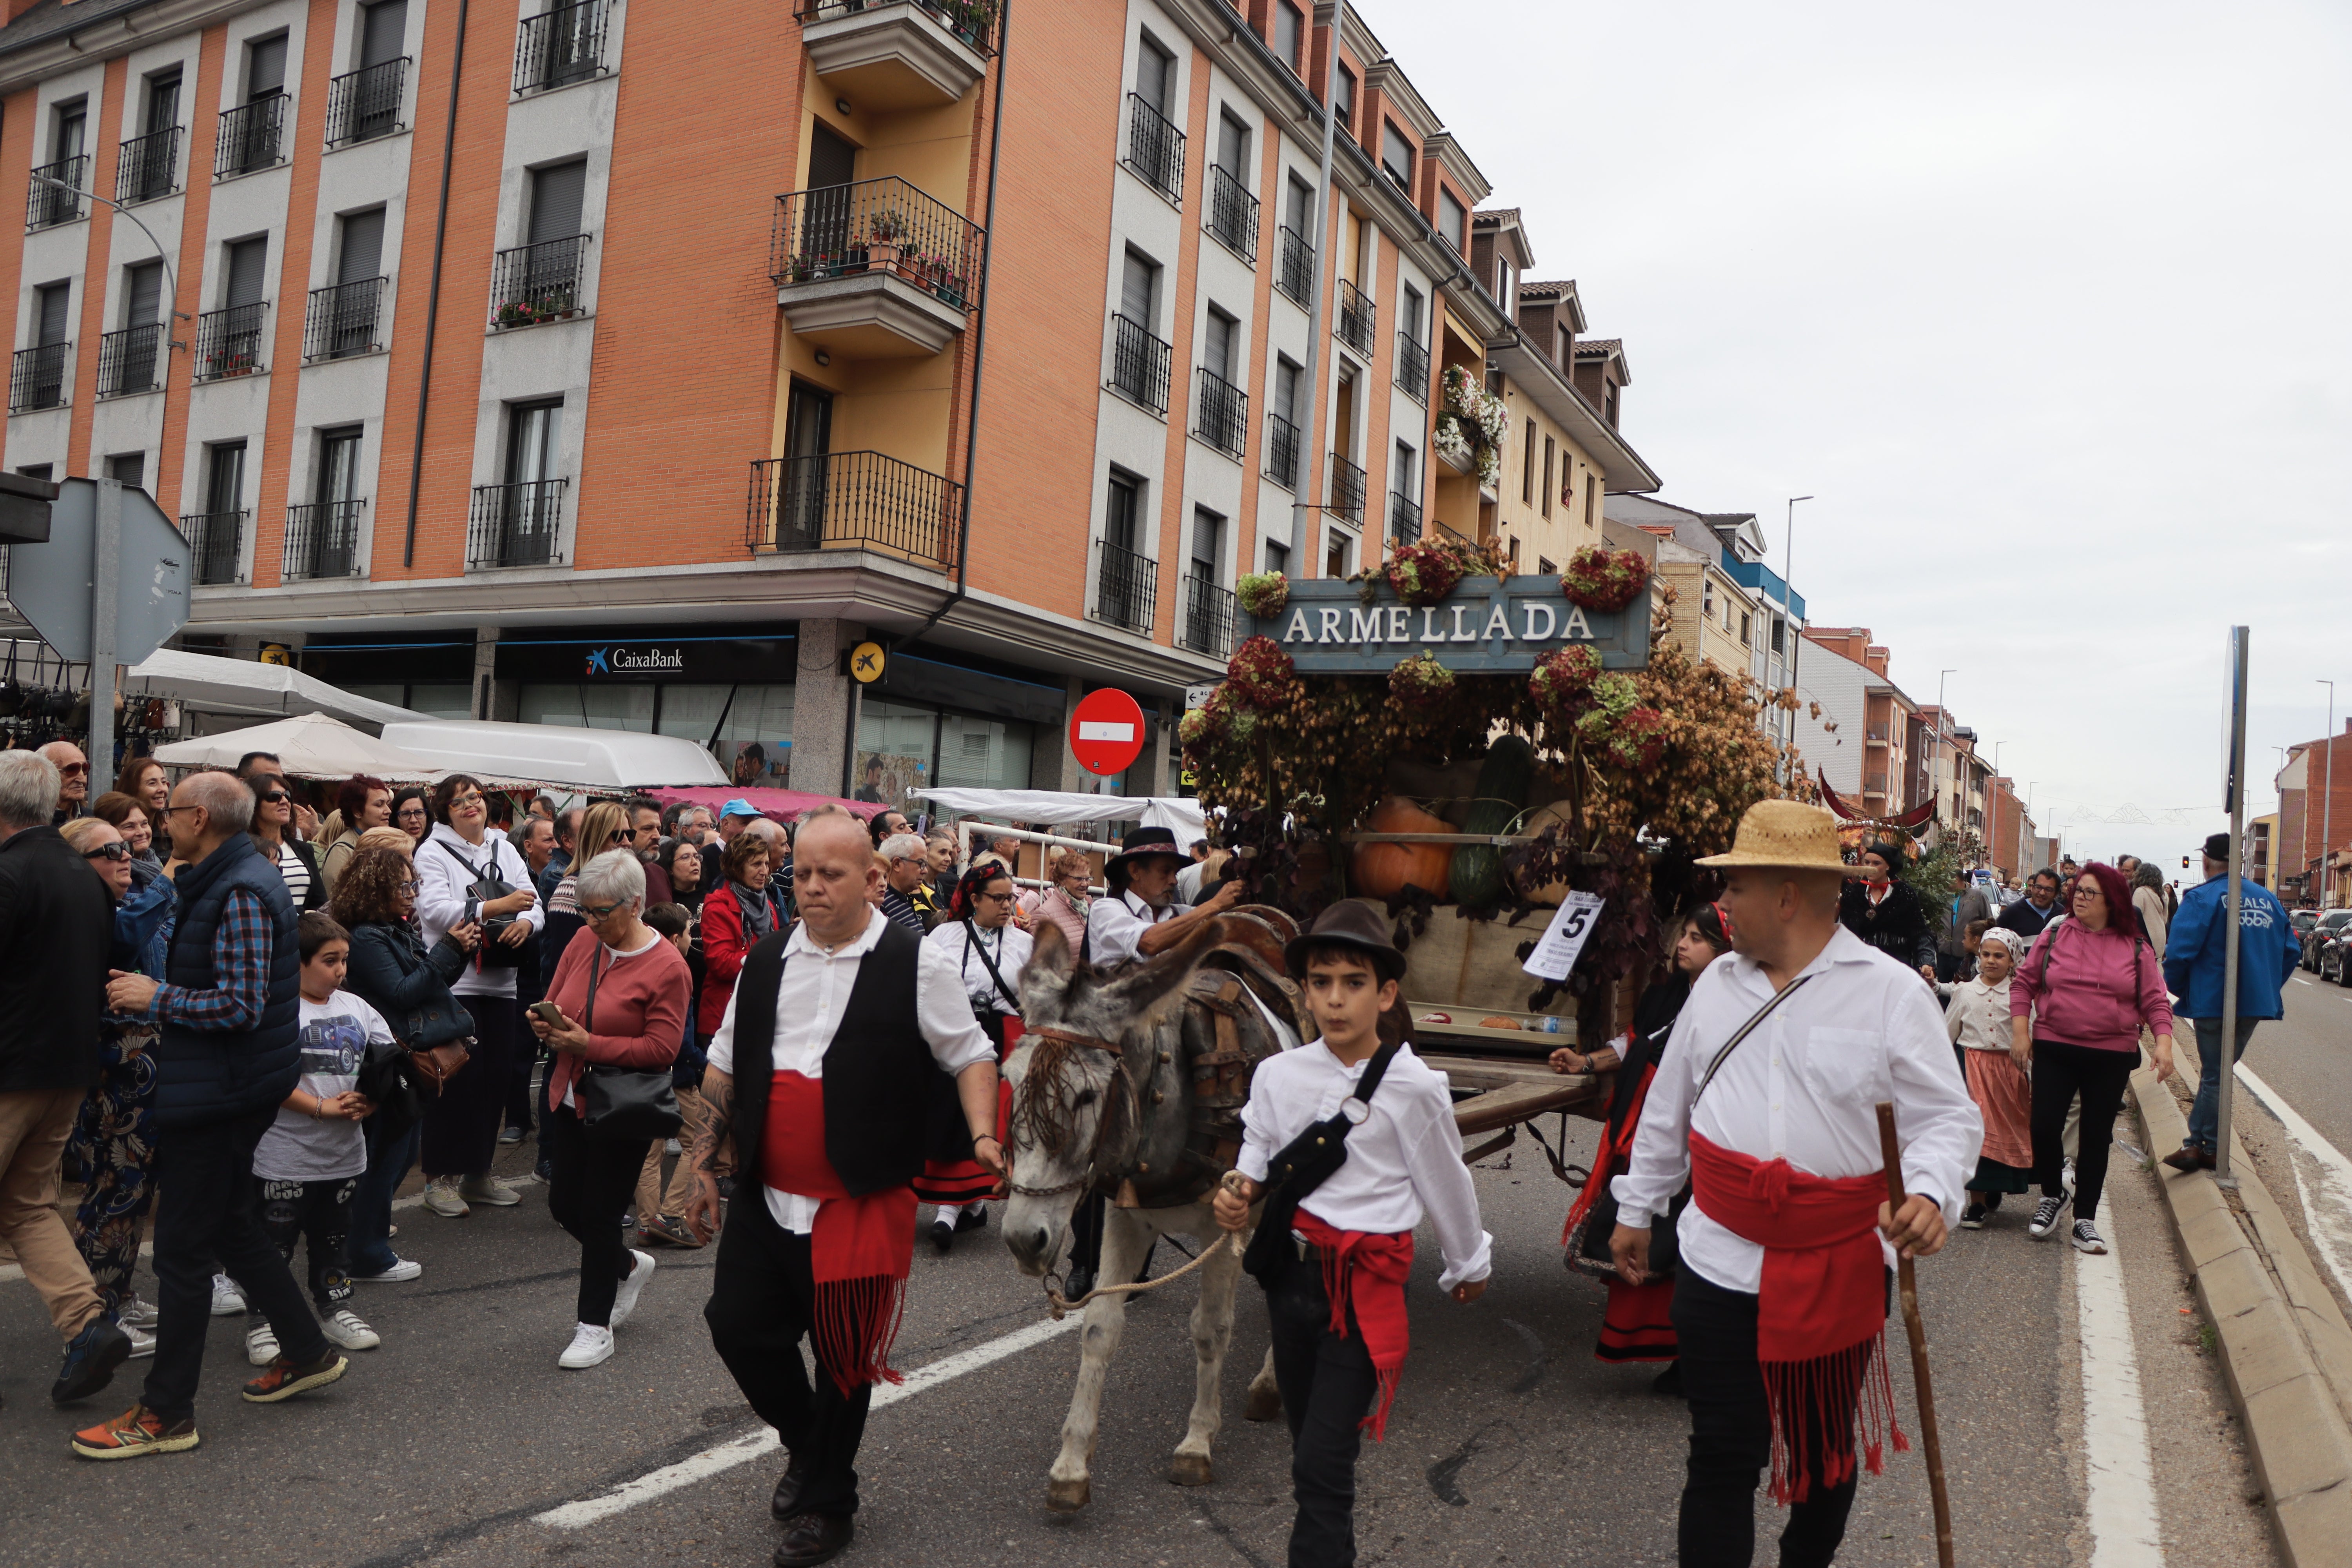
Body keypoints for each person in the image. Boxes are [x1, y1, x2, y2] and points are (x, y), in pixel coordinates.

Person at [1608, 801, 1978, 1568]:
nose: (1723, 905)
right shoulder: (1713, 989)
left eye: (1735, 887)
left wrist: (1933, 1194)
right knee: (1720, 1455)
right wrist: (1638, 1206)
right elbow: (1669, 1104)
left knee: (1819, 1459)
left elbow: (1948, 1119)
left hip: (1837, 1259)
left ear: (1785, 894)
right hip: (1718, 1256)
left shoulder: (1890, 992)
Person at [686, 808, 1003, 1566]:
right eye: (802, 874)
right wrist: (699, 1163)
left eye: (831, 875)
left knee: (843, 1358)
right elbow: (723, 1066)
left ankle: (830, 1500)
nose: (813, 888)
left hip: (860, 1200)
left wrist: (987, 1136)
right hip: (766, 1192)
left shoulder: (916, 962)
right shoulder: (766, 960)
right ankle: (807, 1442)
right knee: (737, 1327)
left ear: (871, 880)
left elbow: (971, 1055)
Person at [79, 769, 350, 1460]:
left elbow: (240, 1006)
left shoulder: (239, 892)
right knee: (231, 1226)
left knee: (180, 1251)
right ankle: (309, 1348)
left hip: (224, 1092)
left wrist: (155, 996)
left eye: (168, 811)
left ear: (199, 818)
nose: (158, 820)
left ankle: (166, 1411)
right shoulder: (220, 877)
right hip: (226, 1084)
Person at [1214, 901, 1491, 1568]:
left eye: (1354, 983)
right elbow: (1259, 1143)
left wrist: (1467, 1262)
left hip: (1365, 1290)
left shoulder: (1415, 1086)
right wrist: (1240, 1187)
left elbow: (1446, 1179)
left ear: (1386, 992)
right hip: (1292, 1282)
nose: (1335, 1000)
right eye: (1321, 983)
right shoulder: (1280, 1073)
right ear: (1304, 991)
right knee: (1310, 1449)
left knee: (1321, 1462)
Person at [1552, 903, 1734, 1390]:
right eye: (1684, 935)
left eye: (1697, 939)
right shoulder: (1667, 993)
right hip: (1652, 1130)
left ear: (1724, 950)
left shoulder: (1734, 1003)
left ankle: (1693, 1357)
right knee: (1650, 1235)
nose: (1682, 945)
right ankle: (1670, 1347)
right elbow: (1636, 1042)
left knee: (1687, 1245)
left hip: (1703, 1142)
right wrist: (1586, 1062)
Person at [0, 754, 134, 1408]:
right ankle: (88, 1325)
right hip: (67, 1071)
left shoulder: (9, 872)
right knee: (27, 1206)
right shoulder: (83, 877)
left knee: (27, 1206)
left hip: (10, 1070)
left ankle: (89, 1327)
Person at [530, 851, 690, 1370]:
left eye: (604, 913)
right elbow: (554, 997)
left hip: (625, 1109)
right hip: (571, 1096)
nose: (593, 922)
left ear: (637, 904)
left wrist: (588, 1042)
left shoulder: (668, 965)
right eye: (587, 912)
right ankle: (627, 1266)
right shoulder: (583, 940)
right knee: (563, 1207)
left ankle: (593, 1327)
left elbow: (662, 1050)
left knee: (599, 1216)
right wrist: (546, 1026)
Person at [243, 912, 391, 1365]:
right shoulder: (278, 1008)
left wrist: (371, 1100)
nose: (341, 970)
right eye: (330, 961)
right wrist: (321, 1108)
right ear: (296, 962)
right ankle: (263, 1321)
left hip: (344, 1156)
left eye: (344, 960)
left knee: (333, 1238)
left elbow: (386, 1065)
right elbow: (264, 1078)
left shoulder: (359, 1008)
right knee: (274, 1244)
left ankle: (334, 1309)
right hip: (283, 1157)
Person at [332, 842, 479, 1284]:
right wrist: (448, 948)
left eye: (415, 883)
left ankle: (361, 1241)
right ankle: (367, 1254)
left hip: (402, 1054)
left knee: (399, 1156)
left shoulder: (393, 928)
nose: (413, 892)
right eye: (405, 884)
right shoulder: (364, 937)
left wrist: (459, 950)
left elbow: (431, 983)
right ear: (376, 886)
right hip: (387, 1056)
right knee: (384, 1157)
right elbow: (402, 992)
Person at [2011, 863, 2174, 1255]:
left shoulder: (2136, 947)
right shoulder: (2055, 933)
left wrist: (2164, 1044)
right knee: (2044, 1126)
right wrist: (2020, 1032)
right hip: (2054, 1046)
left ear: (2111, 900)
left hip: (2110, 1054)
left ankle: (2084, 1218)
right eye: (2077, 891)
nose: (2078, 898)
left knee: (2095, 1136)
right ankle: (2053, 1194)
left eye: (2089, 893)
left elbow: (2155, 1000)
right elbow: (2025, 983)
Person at [60, 815, 174, 1358]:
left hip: (140, 1069)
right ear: (79, 866)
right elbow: (124, 942)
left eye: (127, 847)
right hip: (112, 1073)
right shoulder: (86, 912)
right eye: (109, 849)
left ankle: (118, 1293)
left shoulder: (123, 904)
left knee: (131, 1190)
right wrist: (172, 875)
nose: (124, 855)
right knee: (112, 1190)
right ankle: (99, 1312)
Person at [414, 774, 543, 1219]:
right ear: (444, 811)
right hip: (456, 982)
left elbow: (535, 902)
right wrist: (496, 908)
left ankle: (478, 1173)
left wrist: (528, 923)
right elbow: (432, 909)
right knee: (456, 1081)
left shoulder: (505, 847)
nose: (470, 806)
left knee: (496, 1079)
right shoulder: (431, 851)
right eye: (458, 802)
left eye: (475, 798)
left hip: (501, 981)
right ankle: (439, 1178)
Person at [2161, 834, 2300, 1172]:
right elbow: (2291, 952)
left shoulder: (2202, 897)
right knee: (2220, 1073)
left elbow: (2178, 955)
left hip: (2212, 1000)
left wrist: (2185, 990)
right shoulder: (2268, 899)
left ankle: (2198, 1146)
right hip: (2253, 1003)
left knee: (2214, 1074)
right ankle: (2206, 1145)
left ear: (2206, 862)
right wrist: (2264, 986)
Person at [916, 862, 1032, 1252]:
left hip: (1004, 1037)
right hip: (954, 1032)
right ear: (974, 899)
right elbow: (925, 983)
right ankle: (964, 1205)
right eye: (997, 898)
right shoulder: (944, 936)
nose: (1006, 906)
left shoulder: (1023, 943)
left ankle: (959, 1208)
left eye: (1010, 898)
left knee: (986, 1123)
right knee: (950, 1114)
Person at [632, 902, 710, 1250]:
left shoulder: (635, 964)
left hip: (642, 1073)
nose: (692, 940)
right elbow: (682, 1038)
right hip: (676, 1076)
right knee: (701, 1144)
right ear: (676, 938)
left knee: (651, 1151)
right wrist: (705, 1065)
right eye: (690, 934)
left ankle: (649, 1223)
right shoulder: (677, 968)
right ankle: (671, 1213)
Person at [1946, 926, 2033, 1227]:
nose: (1991, 961)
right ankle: (1977, 1203)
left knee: (2006, 1132)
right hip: (1973, 1069)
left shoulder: (2021, 995)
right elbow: (1948, 1032)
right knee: (1976, 1132)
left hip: (2010, 1073)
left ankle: (1996, 1184)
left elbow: (2029, 1035)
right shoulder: (1965, 991)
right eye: (1986, 954)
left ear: (2013, 960)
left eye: (2000, 955)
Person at [1085, 825, 1245, 966]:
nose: (1174, 880)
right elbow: (1150, 942)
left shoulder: (1180, 913)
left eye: (1175, 873)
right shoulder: (1105, 910)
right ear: (1135, 871)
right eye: (1165, 871)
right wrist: (1215, 904)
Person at [699, 830, 777, 1047]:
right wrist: (767, 953)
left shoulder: (768, 905)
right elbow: (720, 963)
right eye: (756, 865)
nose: (764, 872)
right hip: (725, 1017)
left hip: (760, 1013)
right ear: (737, 866)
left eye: (767, 864)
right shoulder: (718, 906)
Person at [1836, 840, 1936, 982]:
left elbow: (1919, 933)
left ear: (1888, 866)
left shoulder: (1904, 893)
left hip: (1896, 970)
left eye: (1876, 863)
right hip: (1859, 971)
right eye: (1867, 862)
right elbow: (1843, 934)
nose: (1870, 867)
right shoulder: (1852, 893)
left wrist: (1926, 962)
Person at [243, 764, 325, 914]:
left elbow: (320, 903)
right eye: (274, 796)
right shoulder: (243, 849)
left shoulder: (303, 849)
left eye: (287, 795)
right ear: (254, 805)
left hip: (305, 933)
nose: (284, 801)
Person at [318, 776, 392, 899]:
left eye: (388, 804)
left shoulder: (386, 843)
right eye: (379, 805)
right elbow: (340, 902)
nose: (388, 811)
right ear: (357, 812)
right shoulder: (342, 850)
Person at [1019, 845, 1094, 950]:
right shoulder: (1045, 915)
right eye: (1079, 879)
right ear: (1062, 880)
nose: (1085, 884)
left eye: (1088, 878)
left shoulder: (1092, 907)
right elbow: (1039, 959)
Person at [90, 791, 164, 882]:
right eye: (130, 827)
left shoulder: (156, 863)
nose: (141, 832)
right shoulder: (113, 877)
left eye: (144, 824)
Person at [1935, 867, 1991, 983]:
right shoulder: (1941, 897)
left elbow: (1989, 925)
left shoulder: (1978, 896)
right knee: (1942, 995)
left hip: (1967, 957)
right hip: (1943, 957)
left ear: (1955, 879)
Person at [877, 832, 931, 935]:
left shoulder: (904, 898)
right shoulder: (880, 903)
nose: (925, 871)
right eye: (921, 864)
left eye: (926, 865)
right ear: (897, 864)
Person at [701, 798, 762, 888]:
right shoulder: (705, 855)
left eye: (753, 824)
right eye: (745, 823)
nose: (751, 829)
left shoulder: (754, 855)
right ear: (726, 824)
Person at [624, 797, 674, 906]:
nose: (657, 836)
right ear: (626, 831)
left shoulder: (660, 873)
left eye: (659, 829)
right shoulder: (609, 877)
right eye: (647, 829)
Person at [1997, 867, 2065, 939]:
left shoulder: (2062, 913)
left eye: (2048, 890)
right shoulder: (2013, 911)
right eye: (2039, 887)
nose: (2042, 893)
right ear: (2032, 888)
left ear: (2057, 894)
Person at [41, 739, 90, 823]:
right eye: (72, 769)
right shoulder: (28, 823)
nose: (82, 779)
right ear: (44, 774)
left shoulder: (93, 821)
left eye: (85, 769)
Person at [2130, 859, 2169, 960]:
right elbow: (2165, 920)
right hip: (2160, 939)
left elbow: (2135, 917)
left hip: (2145, 941)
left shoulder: (2141, 892)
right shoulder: (2163, 895)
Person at [390, 786, 430, 851]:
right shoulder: (389, 852)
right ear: (396, 820)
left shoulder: (439, 848)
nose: (413, 820)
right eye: (406, 814)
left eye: (419, 812)